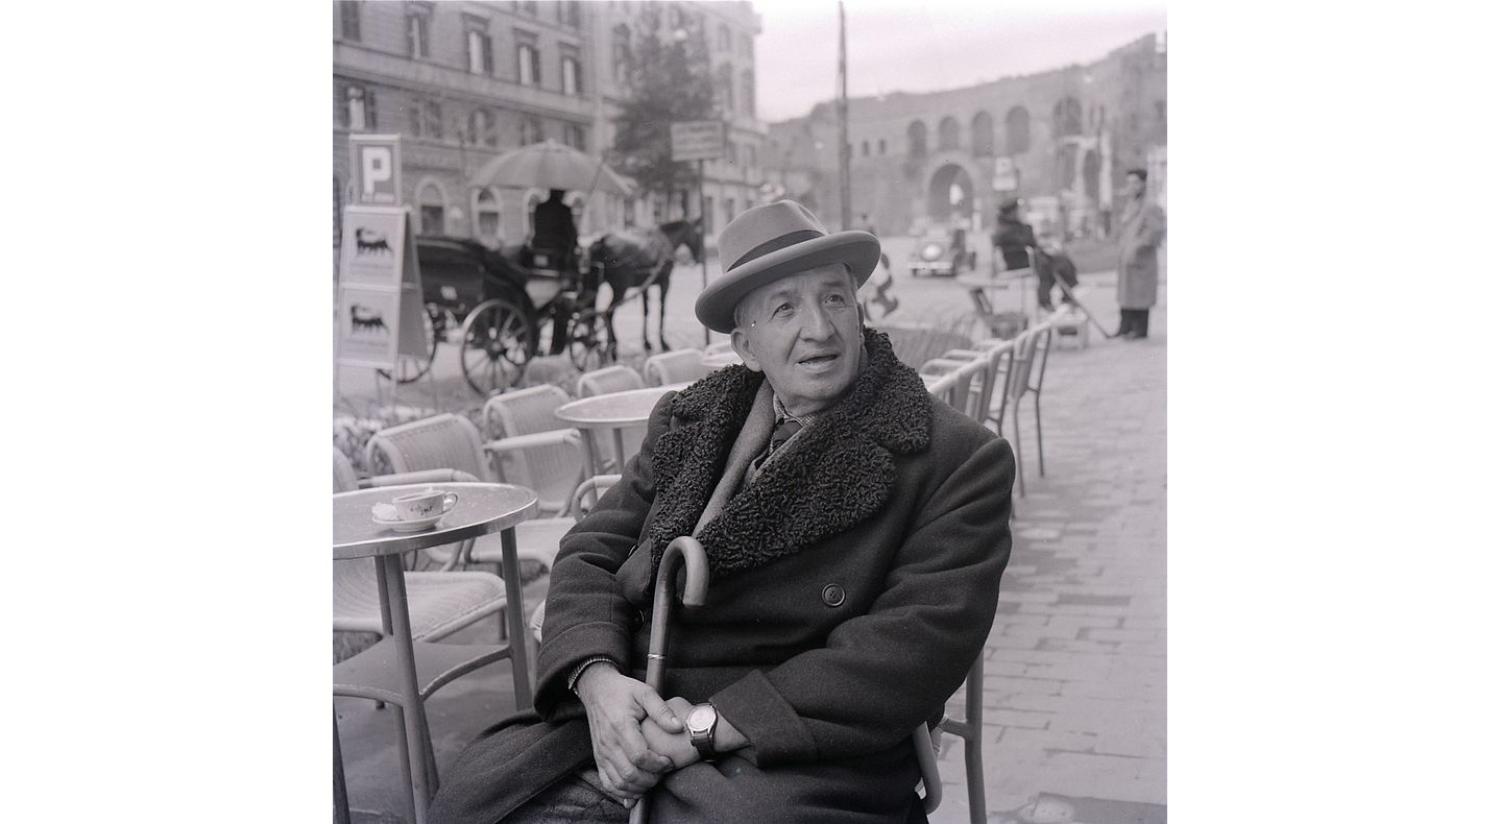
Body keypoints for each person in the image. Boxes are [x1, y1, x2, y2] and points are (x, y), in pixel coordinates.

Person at [428, 199, 1015, 824]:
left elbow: (909, 649)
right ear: (747, 346)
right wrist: (597, 683)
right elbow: (590, 550)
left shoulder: (955, 456)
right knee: (474, 801)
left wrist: (706, 728)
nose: (819, 328)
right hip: (638, 701)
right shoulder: (691, 420)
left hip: (795, 747)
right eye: (785, 308)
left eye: (835, 298)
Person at [991, 198, 1076, 313]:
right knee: (1050, 265)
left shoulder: (1014, 226)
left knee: (1061, 261)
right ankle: (1048, 299)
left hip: (1029, 257)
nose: (1019, 213)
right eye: (1017, 211)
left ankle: (1065, 295)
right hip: (1020, 261)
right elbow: (1027, 242)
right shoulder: (1006, 229)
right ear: (1011, 213)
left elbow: (1030, 242)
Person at [1113, 168, 1167, 339]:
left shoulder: (1150, 206)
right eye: (1129, 182)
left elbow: (1155, 231)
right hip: (1127, 257)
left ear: (1143, 184)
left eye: (1135, 182)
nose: (1131, 186)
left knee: (1140, 295)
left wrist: (1139, 246)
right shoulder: (1130, 205)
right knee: (1126, 293)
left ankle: (1139, 329)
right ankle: (1125, 326)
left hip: (1141, 258)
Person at [531, 188, 579, 271]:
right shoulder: (565, 210)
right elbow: (569, 231)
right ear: (561, 194)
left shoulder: (539, 208)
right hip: (557, 248)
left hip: (538, 245)